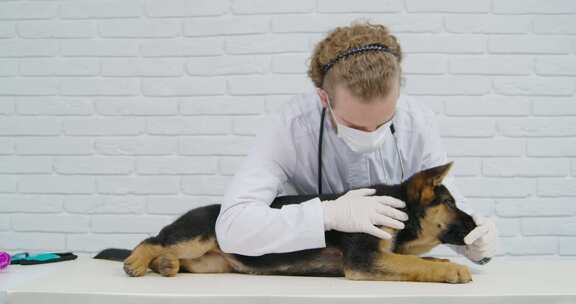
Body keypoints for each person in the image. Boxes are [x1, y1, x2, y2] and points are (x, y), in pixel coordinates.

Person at [215, 21, 497, 264]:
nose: (371, 133)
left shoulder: (417, 121)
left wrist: (471, 242)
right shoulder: (290, 128)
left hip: (390, 271)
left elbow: (442, 203)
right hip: (310, 273)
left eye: (384, 121)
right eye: (355, 125)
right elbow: (232, 228)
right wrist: (326, 214)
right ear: (324, 99)